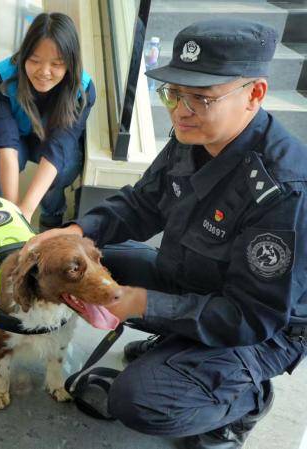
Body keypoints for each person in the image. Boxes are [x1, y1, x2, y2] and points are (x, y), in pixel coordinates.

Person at [37, 20, 307, 449]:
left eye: (201, 97)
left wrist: (143, 303)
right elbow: (142, 203)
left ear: (254, 94)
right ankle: (181, 344)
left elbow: (253, 316)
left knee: (138, 400)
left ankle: (244, 398)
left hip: (263, 329)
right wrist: (72, 232)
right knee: (93, 260)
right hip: (194, 278)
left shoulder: (282, 190)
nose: (180, 109)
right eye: (175, 93)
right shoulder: (193, 135)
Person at [0, 12, 96, 228]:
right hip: (14, 137)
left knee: (64, 166)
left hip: (51, 139)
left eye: (56, 64)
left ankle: (52, 209)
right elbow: (6, 143)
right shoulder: (1, 77)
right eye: (35, 60)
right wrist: (13, 214)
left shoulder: (82, 90)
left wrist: (27, 210)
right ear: (23, 55)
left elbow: (58, 147)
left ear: (70, 63)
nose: (44, 72)